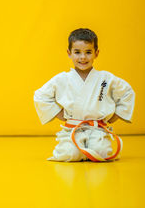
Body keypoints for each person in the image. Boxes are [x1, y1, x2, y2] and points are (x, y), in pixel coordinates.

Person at [33, 28, 135, 162]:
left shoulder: (105, 78)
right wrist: (60, 114)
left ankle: (91, 149)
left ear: (96, 53)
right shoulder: (62, 79)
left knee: (102, 152)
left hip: (97, 129)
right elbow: (40, 95)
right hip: (72, 129)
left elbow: (127, 92)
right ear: (69, 53)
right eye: (77, 52)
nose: (82, 57)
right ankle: (77, 150)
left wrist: (112, 118)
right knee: (70, 154)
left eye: (88, 52)